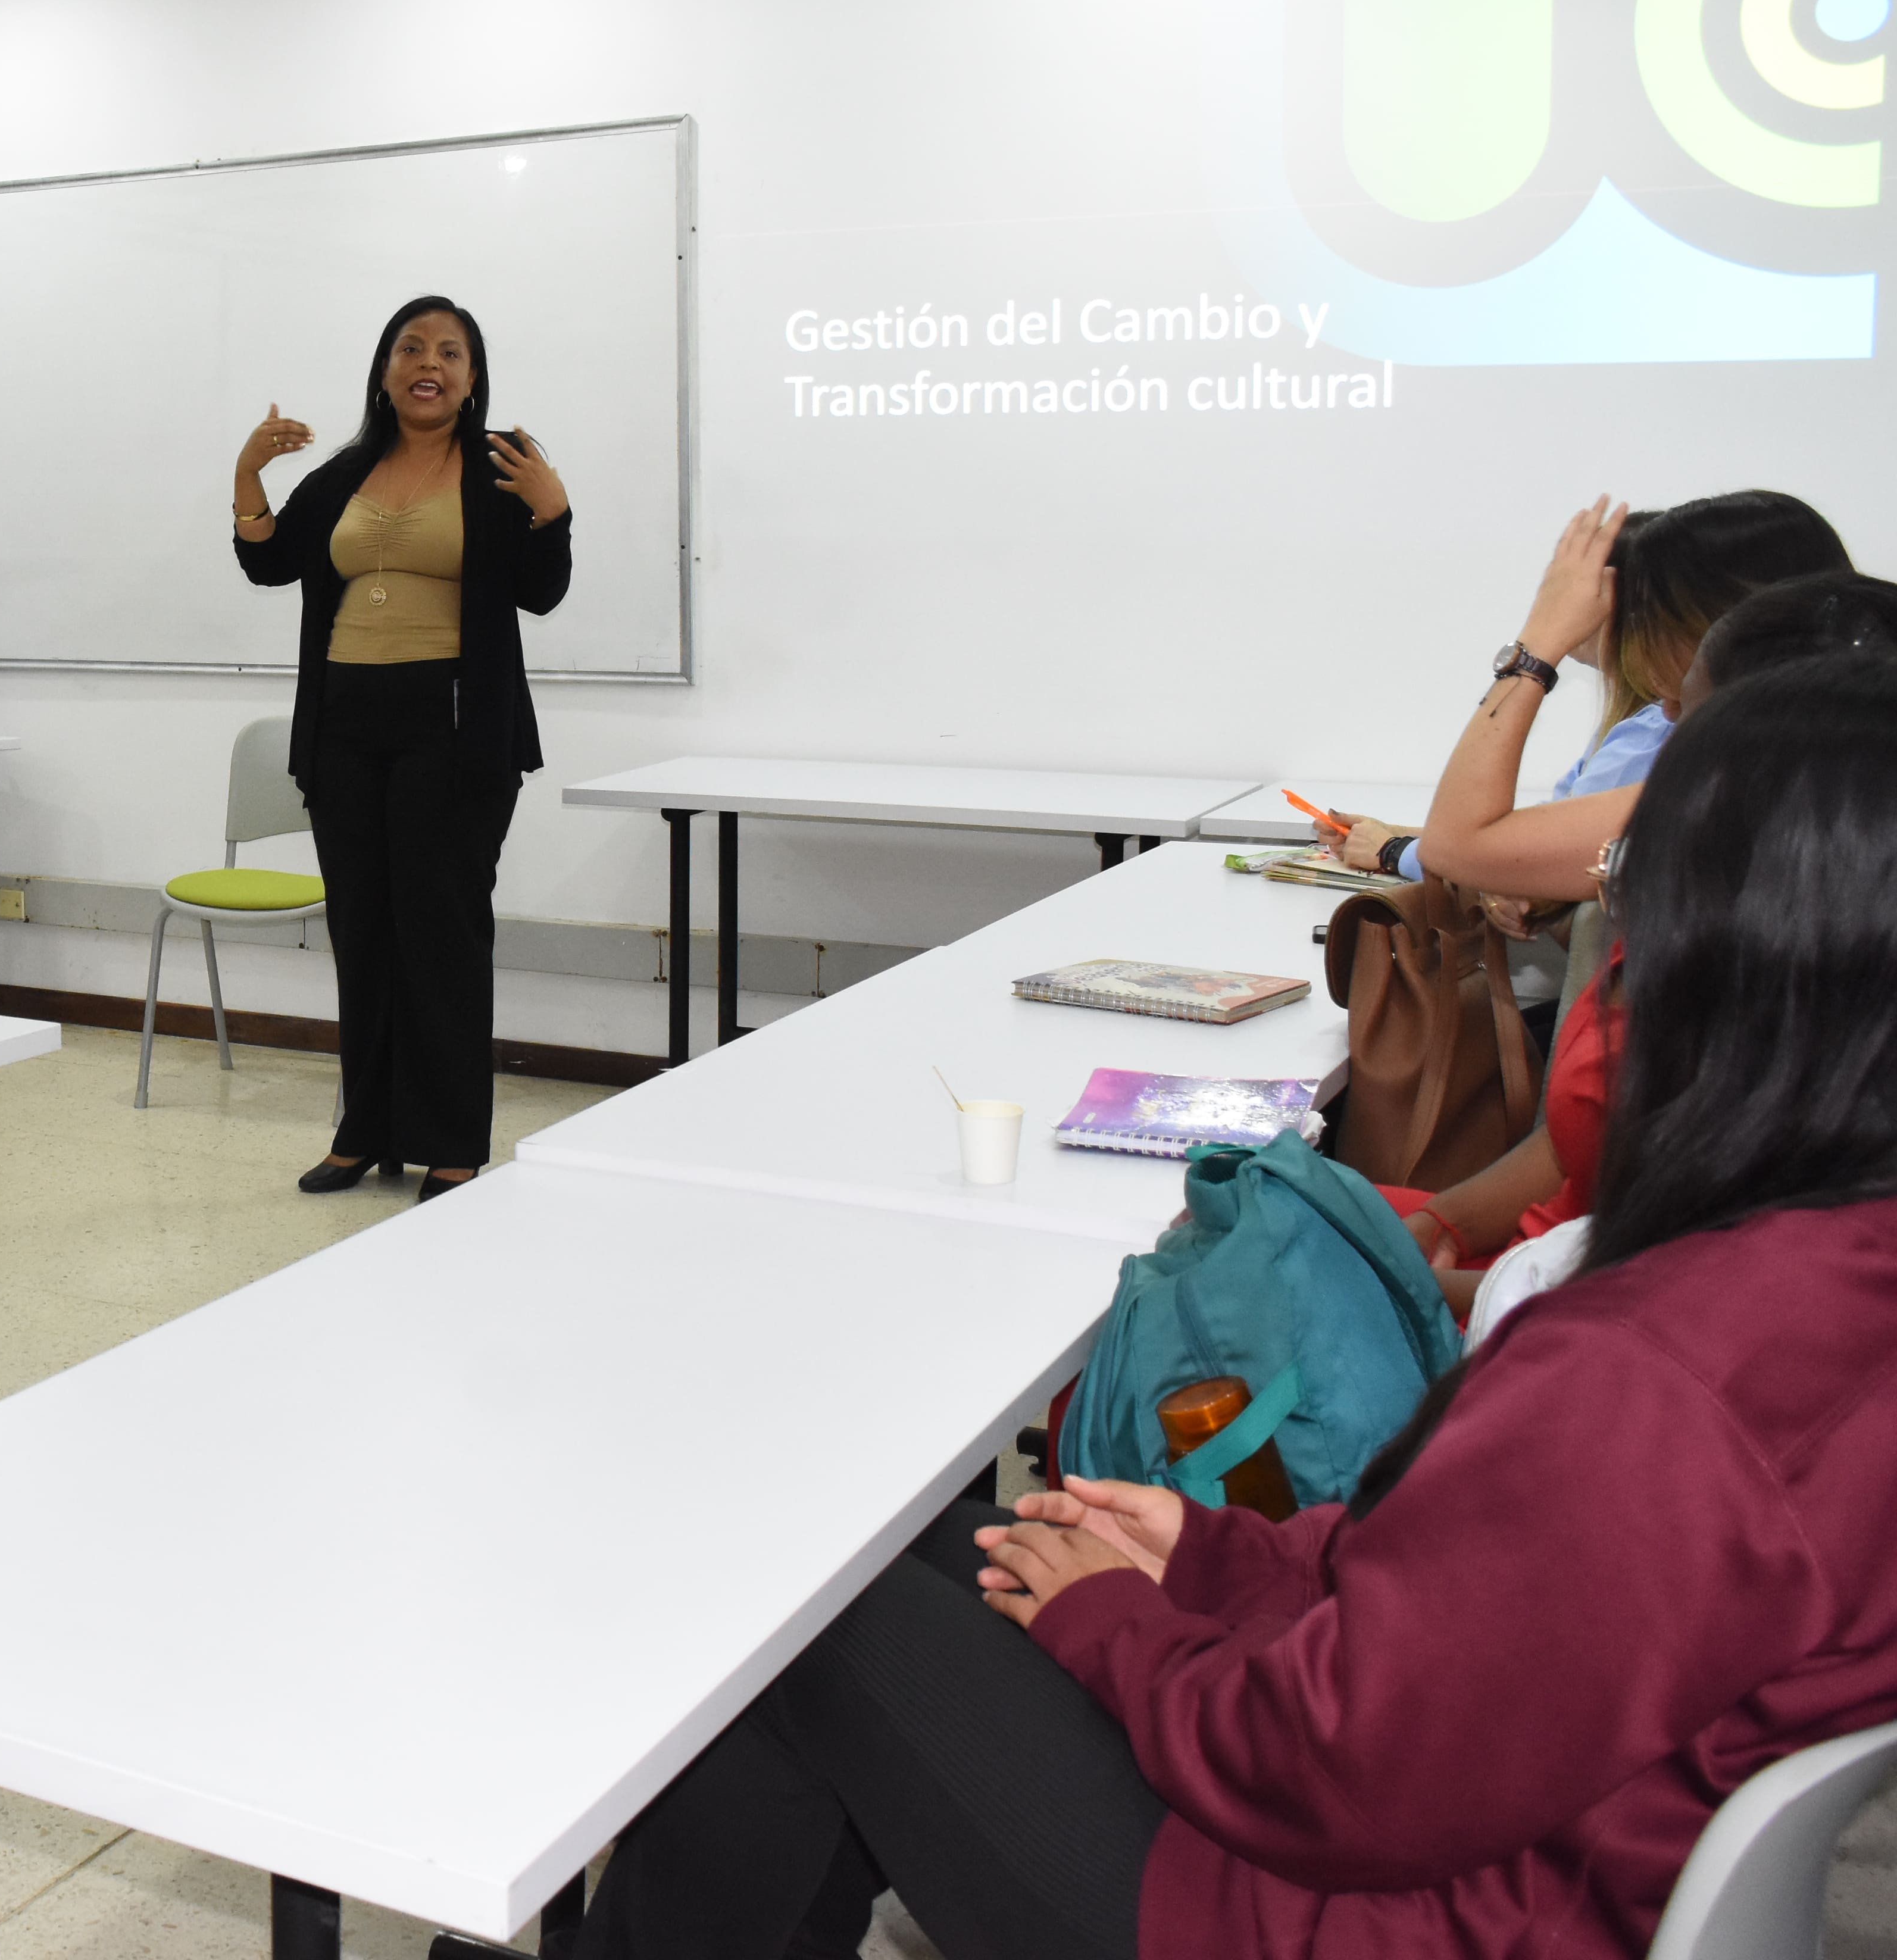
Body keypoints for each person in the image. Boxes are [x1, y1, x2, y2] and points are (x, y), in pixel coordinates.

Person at [563, 651, 1897, 1960]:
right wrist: (1216, 1561)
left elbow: (1332, 1769)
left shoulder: (1654, 1375)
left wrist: (1119, 1626)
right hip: (1521, 1849)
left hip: (1338, 1903)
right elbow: (1490, 1600)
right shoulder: (1826, 1285)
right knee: (919, 1553)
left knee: (812, 1601)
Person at [1395, 567, 1897, 1310]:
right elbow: (1588, 1132)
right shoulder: (1723, 903)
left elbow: (1660, 1297)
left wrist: (1536, 650)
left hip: (1571, 1313)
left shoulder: (1787, 1004)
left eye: (1686, 712)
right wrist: (1449, 1219)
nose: (1662, 712)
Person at [233, 296, 572, 1201]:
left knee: (444, 935)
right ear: (386, 371)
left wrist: (553, 514)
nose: (430, 363)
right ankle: (364, 1131)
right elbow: (271, 563)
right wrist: (247, 475)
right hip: (345, 728)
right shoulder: (347, 470)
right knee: (364, 933)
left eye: (451, 353)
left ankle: (454, 1142)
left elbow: (541, 593)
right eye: (411, 348)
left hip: (455, 732)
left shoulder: (502, 466)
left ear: (471, 378)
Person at [1335, 490, 1848, 895]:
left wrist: (1538, 644)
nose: (1660, 695)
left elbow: (1456, 847)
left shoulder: (1741, 788)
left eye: (1648, 621)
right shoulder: (1832, 760)